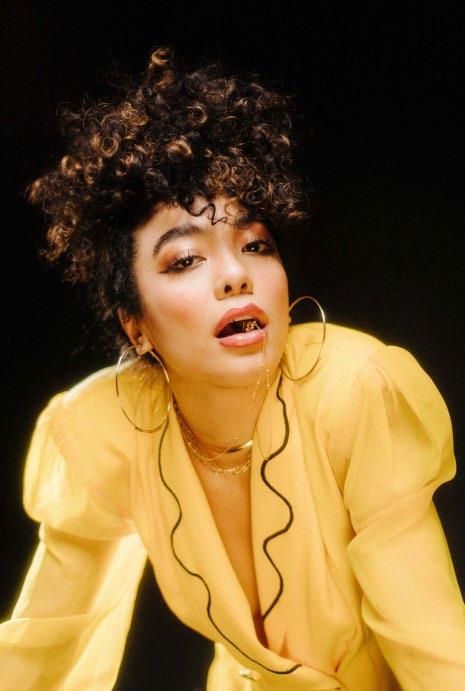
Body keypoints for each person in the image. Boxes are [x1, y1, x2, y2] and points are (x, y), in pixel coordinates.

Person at [0, 44, 464, 691]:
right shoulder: (104, 432)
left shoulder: (355, 391)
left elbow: (437, 651)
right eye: (185, 259)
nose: (235, 274)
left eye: (255, 244)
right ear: (135, 327)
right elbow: (41, 646)